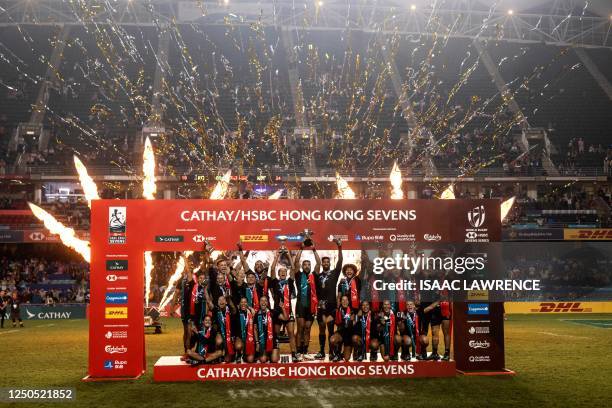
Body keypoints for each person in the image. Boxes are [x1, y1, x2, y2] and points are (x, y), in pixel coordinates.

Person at [269, 245, 300, 362]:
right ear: (278, 274)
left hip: (288, 310)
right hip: (277, 311)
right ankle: (275, 352)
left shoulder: (290, 282)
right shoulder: (275, 282)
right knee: (276, 334)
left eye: (284, 271)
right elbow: (272, 269)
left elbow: (293, 268)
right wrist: (277, 256)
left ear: (286, 274)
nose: (283, 272)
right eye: (281, 271)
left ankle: (294, 353)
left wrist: (288, 255)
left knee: (291, 333)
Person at [314, 238, 343, 360]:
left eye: (327, 262)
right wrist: (314, 249)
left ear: (329, 264)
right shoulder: (318, 275)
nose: (325, 263)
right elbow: (316, 265)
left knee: (330, 329)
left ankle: (331, 352)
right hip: (321, 306)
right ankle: (321, 351)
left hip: (331, 306)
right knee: (321, 329)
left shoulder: (334, 274)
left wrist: (339, 247)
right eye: (323, 262)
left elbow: (340, 261)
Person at [293, 240, 320, 358]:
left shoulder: (314, 275)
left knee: (308, 329)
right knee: (300, 328)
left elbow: (318, 263)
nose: (307, 266)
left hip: (311, 306)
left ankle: (305, 351)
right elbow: (296, 262)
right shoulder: (299, 275)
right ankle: (298, 351)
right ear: (302, 266)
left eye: (309, 264)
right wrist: (301, 248)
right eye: (305, 264)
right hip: (300, 305)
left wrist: (314, 250)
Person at [180, 256, 209, 358]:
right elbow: (188, 272)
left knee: (200, 334)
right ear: (197, 279)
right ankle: (187, 352)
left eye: (203, 278)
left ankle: (199, 351)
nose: (201, 279)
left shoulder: (206, 289)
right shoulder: (193, 284)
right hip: (191, 316)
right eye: (200, 278)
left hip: (201, 316)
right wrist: (184, 258)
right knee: (189, 334)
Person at [330, 295, 355, 362]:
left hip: (349, 335)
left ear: (348, 301)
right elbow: (326, 320)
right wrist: (322, 311)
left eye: (346, 300)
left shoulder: (352, 310)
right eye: (343, 300)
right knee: (333, 340)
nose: (344, 301)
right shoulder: (336, 311)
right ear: (340, 302)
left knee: (346, 358)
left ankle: (342, 354)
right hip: (340, 333)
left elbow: (354, 321)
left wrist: (352, 318)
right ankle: (337, 353)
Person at [254, 296, 279, 363]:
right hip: (262, 340)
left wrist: (282, 308)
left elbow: (284, 318)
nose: (263, 302)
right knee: (263, 360)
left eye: (265, 301)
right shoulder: (257, 314)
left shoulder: (273, 313)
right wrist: (257, 342)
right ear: (259, 303)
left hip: (272, 339)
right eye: (261, 300)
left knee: (274, 360)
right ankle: (267, 354)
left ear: (268, 303)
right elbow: (255, 329)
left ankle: (273, 353)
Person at [213, 295, 236, 363]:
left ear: (226, 302)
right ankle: (218, 355)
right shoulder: (216, 311)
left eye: (223, 300)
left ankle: (234, 354)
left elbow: (234, 308)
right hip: (221, 333)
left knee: (227, 360)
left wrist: (232, 336)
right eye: (219, 300)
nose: (221, 301)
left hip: (230, 334)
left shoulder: (231, 311)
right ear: (217, 303)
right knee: (218, 341)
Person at [233, 297, 256, 363]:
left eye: (245, 302)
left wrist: (251, 309)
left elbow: (254, 327)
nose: (243, 304)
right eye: (242, 302)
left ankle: (245, 355)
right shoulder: (237, 313)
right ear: (239, 304)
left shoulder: (251, 313)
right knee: (238, 346)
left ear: (247, 304)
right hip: (240, 337)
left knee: (250, 360)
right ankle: (239, 353)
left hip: (249, 338)